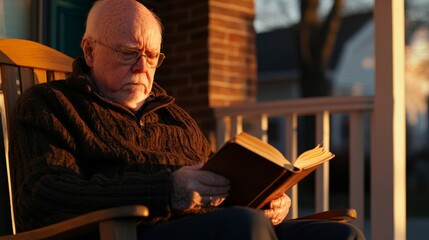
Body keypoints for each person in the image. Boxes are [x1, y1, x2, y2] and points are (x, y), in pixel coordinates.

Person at [9, 0, 365, 239]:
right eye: (129, 52)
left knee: (341, 234)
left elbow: (215, 181)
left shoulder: (175, 117)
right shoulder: (48, 105)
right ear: (89, 50)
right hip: (130, 232)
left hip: (215, 226)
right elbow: (40, 197)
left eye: (152, 56)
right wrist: (168, 190)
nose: (142, 67)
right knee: (244, 226)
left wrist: (264, 197)